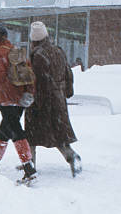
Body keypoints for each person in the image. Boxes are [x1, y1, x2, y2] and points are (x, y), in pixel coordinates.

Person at [0, 22, 37, 183]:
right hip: (20, 98)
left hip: (7, 98)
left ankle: (29, 169)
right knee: (5, 131)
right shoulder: (14, 49)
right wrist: (27, 93)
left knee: (16, 131)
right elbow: (29, 73)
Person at [25, 21, 81, 177]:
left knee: (30, 135)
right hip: (58, 99)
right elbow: (68, 73)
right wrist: (66, 92)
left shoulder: (37, 55)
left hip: (43, 101)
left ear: (33, 40)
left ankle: (29, 165)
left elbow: (39, 81)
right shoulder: (58, 51)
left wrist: (35, 102)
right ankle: (71, 156)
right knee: (59, 133)